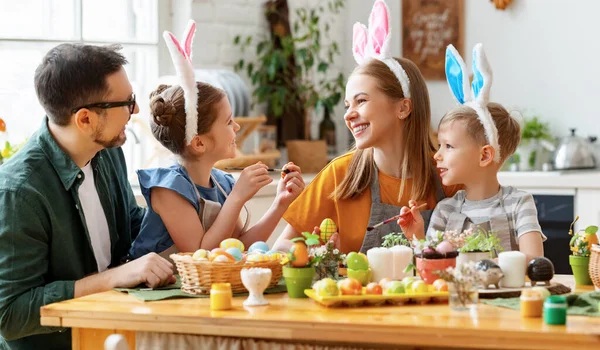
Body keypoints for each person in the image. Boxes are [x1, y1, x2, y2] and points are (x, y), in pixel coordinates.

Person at [0, 44, 175, 349]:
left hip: (114, 334)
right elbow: (10, 315)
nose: (134, 111)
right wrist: (113, 278)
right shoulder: (18, 193)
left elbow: (130, 227)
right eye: (126, 102)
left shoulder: (106, 153)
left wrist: (193, 208)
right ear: (85, 120)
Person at [273, 0, 460, 254]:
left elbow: (474, 248)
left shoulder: (446, 177)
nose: (349, 115)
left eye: (361, 101)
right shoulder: (340, 175)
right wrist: (320, 252)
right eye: (347, 105)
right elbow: (280, 247)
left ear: (403, 108)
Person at [127, 21, 305, 260]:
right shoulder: (168, 189)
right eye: (229, 121)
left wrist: (279, 204)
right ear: (199, 143)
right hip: (150, 292)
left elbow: (238, 248)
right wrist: (237, 198)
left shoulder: (221, 183)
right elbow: (200, 255)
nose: (237, 126)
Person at [399, 44, 545, 262]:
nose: (437, 155)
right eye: (439, 145)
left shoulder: (519, 203)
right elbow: (431, 263)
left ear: (485, 155)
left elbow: (534, 260)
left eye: (448, 146)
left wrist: (474, 264)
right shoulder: (445, 210)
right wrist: (417, 237)